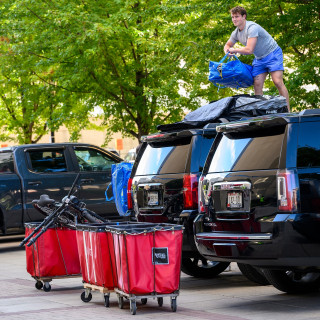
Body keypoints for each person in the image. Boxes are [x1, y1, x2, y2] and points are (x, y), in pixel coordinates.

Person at [224, 6, 290, 111]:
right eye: (232, 17)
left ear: (244, 16)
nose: (234, 19)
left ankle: (288, 111)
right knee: (257, 84)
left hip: (273, 54)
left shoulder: (252, 28)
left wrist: (234, 50)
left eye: (236, 17)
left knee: (277, 81)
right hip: (259, 59)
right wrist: (227, 51)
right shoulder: (236, 33)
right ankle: (261, 113)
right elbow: (227, 45)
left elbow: (249, 50)